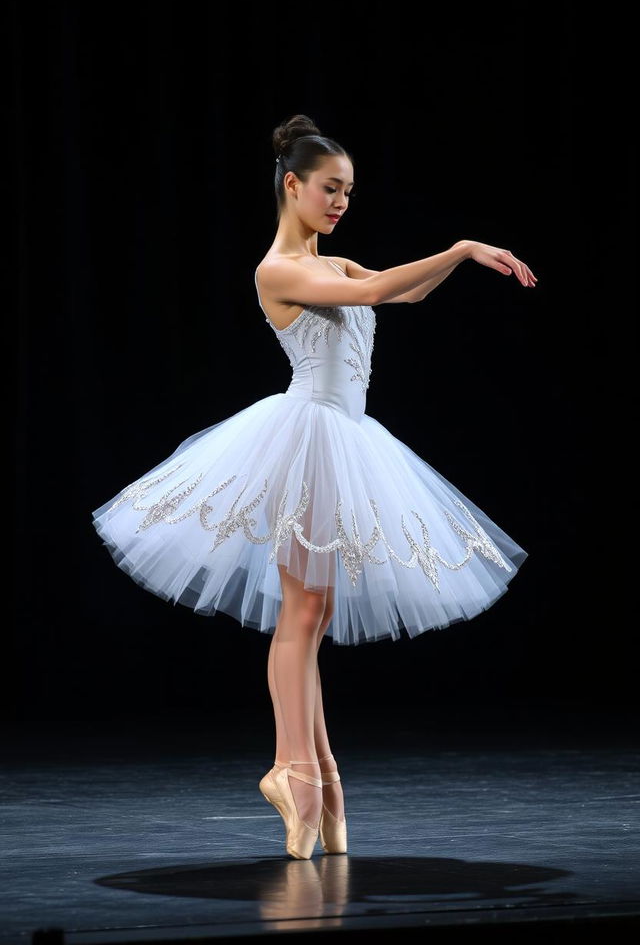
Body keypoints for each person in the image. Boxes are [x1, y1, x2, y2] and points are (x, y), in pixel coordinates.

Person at [92, 113, 536, 860]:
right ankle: (294, 771)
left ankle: (321, 774)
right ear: (292, 184)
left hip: (345, 439)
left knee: (314, 609)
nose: (341, 203)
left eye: (350, 192)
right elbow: (383, 291)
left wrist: (457, 263)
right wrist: (460, 246)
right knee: (300, 612)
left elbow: (405, 295)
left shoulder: (340, 266)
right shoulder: (278, 270)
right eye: (330, 188)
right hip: (304, 439)